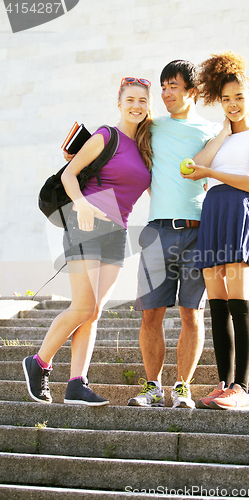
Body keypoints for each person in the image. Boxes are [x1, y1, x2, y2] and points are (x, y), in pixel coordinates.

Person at [128, 60, 249, 409]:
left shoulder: (229, 133)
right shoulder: (153, 128)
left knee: (206, 310)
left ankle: (211, 388)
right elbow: (125, 150)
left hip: (211, 225)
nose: (165, 93)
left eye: (173, 86)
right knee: (178, 310)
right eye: (226, 98)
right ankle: (179, 386)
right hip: (177, 226)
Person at [22, 77, 152, 406]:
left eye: (143, 100)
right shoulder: (106, 135)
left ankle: (77, 382)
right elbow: (69, 173)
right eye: (131, 99)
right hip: (88, 222)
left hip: (117, 231)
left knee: (93, 312)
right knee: (82, 305)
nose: (136, 105)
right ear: (120, 103)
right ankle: (39, 362)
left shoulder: (146, 148)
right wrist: (80, 202)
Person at [181, 51, 249, 411]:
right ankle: (223, 384)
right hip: (214, 215)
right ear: (219, 101)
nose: (234, 104)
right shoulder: (218, 137)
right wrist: (221, 134)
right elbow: (193, 169)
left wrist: (213, 175)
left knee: (238, 301)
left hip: (238, 212)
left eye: (239, 97)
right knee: (217, 304)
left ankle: (243, 389)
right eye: (226, 98)